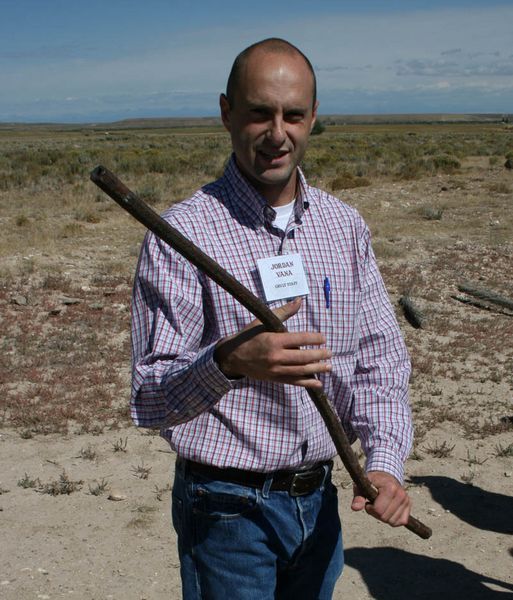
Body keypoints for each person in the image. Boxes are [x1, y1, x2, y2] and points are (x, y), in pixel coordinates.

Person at [131, 38, 413, 599]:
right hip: (225, 510)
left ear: (314, 118)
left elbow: (379, 358)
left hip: (320, 499)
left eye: (293, 114)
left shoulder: (343, 227)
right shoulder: (182, 234)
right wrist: (229, 362)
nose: (277, 133)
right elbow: (150, 398)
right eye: (260, 112)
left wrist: (382, 464)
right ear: (226, 112)